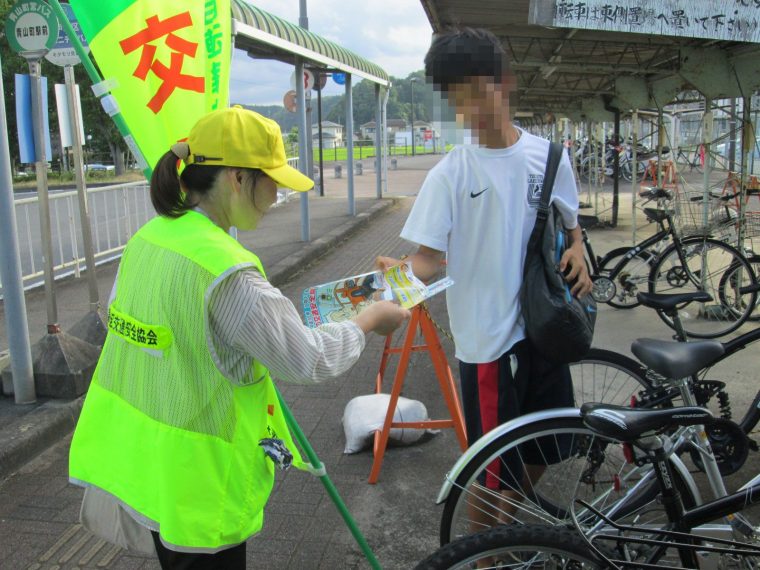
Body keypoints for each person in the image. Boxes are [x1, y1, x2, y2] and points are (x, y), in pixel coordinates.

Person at [68, 106, 410, 569]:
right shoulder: (227, 272)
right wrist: (369, 320)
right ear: (236, 178)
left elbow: (142, 326)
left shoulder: (150, 238)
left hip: (146, 466)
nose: (279, 194)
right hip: (202, 484)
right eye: (272, 180)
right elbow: (307, 360)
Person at [376, 28, 593, 529]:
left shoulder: (552, 158)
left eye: (477, 91)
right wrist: (394, 284)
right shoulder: (450, 174)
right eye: (456, 99)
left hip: (545, 331)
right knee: (488, 473)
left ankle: (505, 523)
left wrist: (579, 249)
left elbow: (570, 225)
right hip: (489, 347)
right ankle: (484, 557)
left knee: (553, 442)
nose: (469, 109)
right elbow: (428, 260)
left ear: (505, 82)